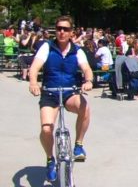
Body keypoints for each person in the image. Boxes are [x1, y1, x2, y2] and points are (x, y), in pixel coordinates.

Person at [28, 16, 94, 183]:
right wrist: (33, 83)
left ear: (72, 32)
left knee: (85, 107)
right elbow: (34, 68)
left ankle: (78, 145)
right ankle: (50, 159)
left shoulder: (77, 50)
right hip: (49, 93)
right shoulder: (47, 47)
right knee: (47, 129)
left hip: (69, 92)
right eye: (58, 28)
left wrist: (88, 81)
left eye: (65, 29)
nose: (61, 32)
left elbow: (86, 68)